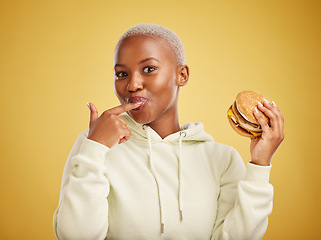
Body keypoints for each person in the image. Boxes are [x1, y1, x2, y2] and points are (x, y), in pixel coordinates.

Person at [53, 23, 284, 240]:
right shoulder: (96, 145)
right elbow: (75, 236)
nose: (132, 85)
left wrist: (260, 166)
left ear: (181, 75)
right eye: (122, 74)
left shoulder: (221, 159)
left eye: (149, 69)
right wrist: (95, 148)